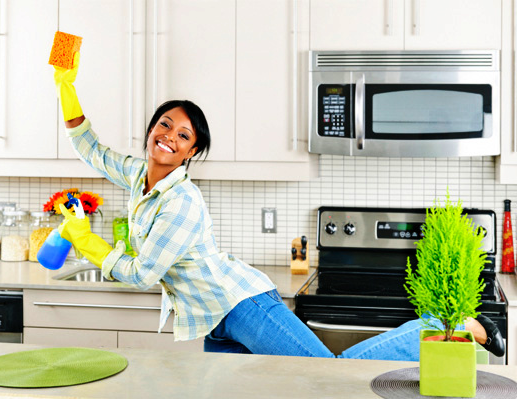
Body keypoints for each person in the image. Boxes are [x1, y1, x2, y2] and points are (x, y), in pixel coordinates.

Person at [52, 53, 505, 360]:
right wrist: (65, 87)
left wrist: (85, 240)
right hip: (212, 320)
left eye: (184, 134)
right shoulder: (137, 173)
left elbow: (142, 275)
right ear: (151, 129)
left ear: (191, 153)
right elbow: (89, 147)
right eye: (165, 124)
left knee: (325, 374)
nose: (169, 135)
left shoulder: (182, 203)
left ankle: (457, 326)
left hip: (244, 305)